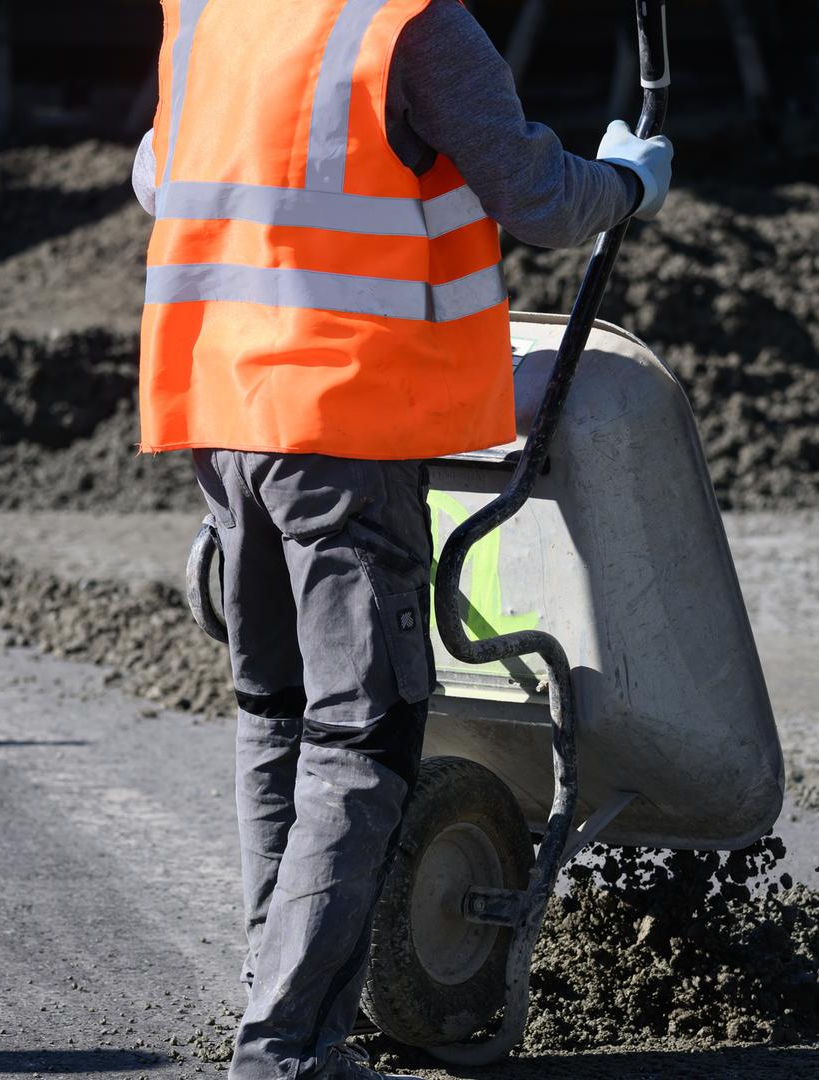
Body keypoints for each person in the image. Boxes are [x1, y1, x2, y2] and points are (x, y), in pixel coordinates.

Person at [130, 2, 672, 1077]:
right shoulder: (411, 25)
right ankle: (284, 1052)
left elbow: (160, 173)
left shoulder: (213, 13)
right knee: (363, 739)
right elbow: (540, 199)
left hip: (221, 408)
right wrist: (632, 183)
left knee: (275, 711)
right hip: (341, 419)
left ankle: (276, 1006)